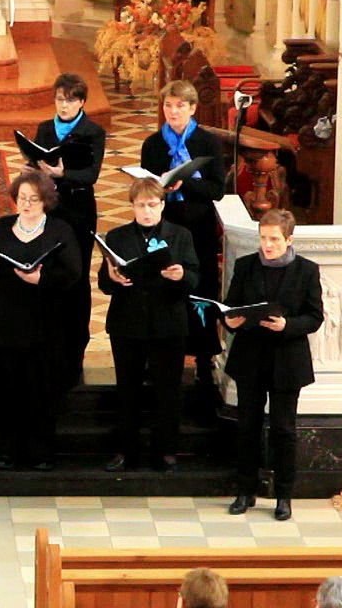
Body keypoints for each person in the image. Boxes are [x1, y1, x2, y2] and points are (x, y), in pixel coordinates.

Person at [0, 171, 82, 471]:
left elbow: (73, 273)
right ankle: (7, 450)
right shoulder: (1, 228)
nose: (26, 204)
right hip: (4, 318)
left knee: (40, 387)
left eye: (33, 199)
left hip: (43, 321)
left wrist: (41, 279)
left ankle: (40, 451)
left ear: (45, 201)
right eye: (22, 198)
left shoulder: (59, 231)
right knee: (6, 386)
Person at [224, 209, 323, 521]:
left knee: (283, 430)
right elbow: (231, 307)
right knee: (247, 427)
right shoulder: (246, 266)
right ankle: (245, 491)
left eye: (274, 239)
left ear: (289, 239)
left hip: (287, 361)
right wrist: (230, 320)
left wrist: (287, 325)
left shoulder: (306, 270)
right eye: (263, 238)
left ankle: (283, 495)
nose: (267, 245)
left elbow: (314, 316)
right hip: (250, 358)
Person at [98, 178, 199, 472]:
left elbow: (195, 277)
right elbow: (104, 282)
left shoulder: (180, 235)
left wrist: (181, 276)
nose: (146, 211)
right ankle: (126, 451)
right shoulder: (117, 236)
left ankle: (166, 451)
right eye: (140, 205)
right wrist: (111, 278)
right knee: (127, 389)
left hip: (168, 324)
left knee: (168, 391)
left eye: (152, 205)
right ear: (132, 206)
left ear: (162, 205)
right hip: (127, 324)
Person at [140, 79, 226, 405]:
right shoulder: (153, 144)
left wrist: (184, 182)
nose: (173, 111)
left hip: (198, 227)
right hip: (163, 227)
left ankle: (203, 360)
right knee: (160, 288)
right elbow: (146, 186)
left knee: (199, 289)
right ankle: (157, 358)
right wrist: (160, 188)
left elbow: (217, 189)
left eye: (179, 106)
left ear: (192, 108)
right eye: (168, 105)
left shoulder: (207, 142)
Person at [31, 73, 106, 390]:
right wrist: (33, 170)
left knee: (76, 275)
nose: (64, 106)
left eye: (71, 100)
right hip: (50, 210)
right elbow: (36, 162)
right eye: (60, 99)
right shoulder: (45, 129)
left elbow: (91, 174)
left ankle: (76, 347)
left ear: (82, 102)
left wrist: (64, 174)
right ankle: (49, 343)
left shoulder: (93, 131)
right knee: (48, 272)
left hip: (78, 209)